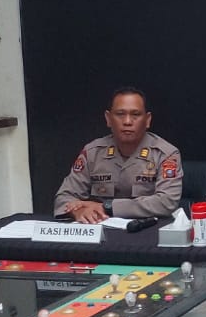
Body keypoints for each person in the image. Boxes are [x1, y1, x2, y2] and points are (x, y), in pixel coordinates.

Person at [54, 87, 183, 223]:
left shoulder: (165, 154)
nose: (127, 121)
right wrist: (77, 211)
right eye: (120, 114)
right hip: (100, 229)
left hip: (147, 230)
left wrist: (107, 207)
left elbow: (166, 202)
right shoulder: (92, 153)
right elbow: (63, 197)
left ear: (147, 120)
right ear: (108, 118)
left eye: (135, 114)